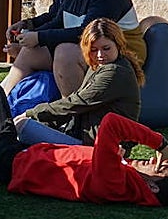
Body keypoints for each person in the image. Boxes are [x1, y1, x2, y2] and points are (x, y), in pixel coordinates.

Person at [0, 84, 168, 207]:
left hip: (14, 161)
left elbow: (112, 124)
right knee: (0, 131)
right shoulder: (123, 179)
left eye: (160, 167)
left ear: (153, 185)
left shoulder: (116, 182)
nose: (154, 160)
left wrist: (160, 144)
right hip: (25, 157)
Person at [2, 0, 145, 97]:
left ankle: (73, 115)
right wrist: (28, 34)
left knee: (65, 52)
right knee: (31, 52)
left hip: (123, 54)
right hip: (94, 50)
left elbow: (86, 33)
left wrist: (39, 37)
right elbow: (58, 21)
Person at [8, 18, 143, 147]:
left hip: (98, 149)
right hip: (83, 135)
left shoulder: (115, 72)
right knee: (27, 129)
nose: (100, 55)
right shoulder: (100, 65)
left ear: (118, 45)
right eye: (94, 50)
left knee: (23, 127)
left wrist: (32, 113)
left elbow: (77, 102)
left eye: (106, 48)